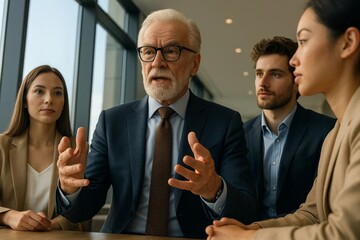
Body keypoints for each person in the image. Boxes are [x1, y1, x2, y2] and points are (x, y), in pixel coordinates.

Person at [56, 8, 258, 239]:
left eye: (171, 51)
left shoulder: (225, 122)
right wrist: (69, 188)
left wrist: (214, 189)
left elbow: (246, 211)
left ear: (195, 63)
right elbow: (83, 209)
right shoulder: (112, 122)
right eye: (149, 52)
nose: (158, 62)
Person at [206, 0, 360, 239]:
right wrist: (253, 228)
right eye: (259, 74)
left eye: (304, 41)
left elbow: (345, 233)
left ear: (347, 43)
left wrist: (247, 238)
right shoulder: (337, 133)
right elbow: (312, 214)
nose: (295, 59)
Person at [244, 36, 335, 220]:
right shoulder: (240, 134)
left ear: (296, 82)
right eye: (259, 73)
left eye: (275, 74)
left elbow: (323, 206)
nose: (263, 82)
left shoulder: (326, 131)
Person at [0, 65, 87, 231]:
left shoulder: (78, 150)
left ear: (63, 104)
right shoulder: (1, 146)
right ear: (24, 100)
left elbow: (85, 210)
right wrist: (9, 216)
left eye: (57, 93)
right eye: (39, 91)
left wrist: (55, 224)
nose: (49, 99)